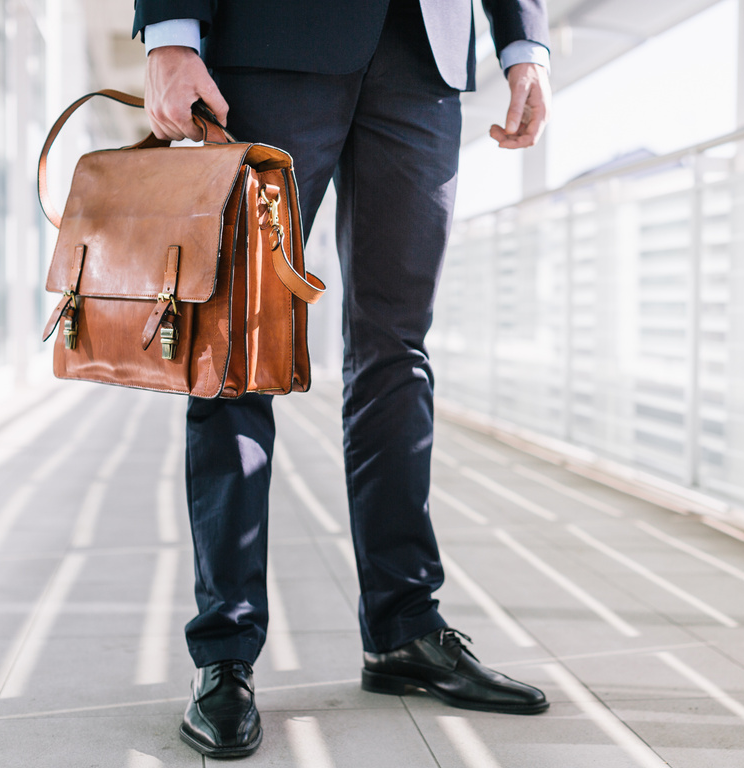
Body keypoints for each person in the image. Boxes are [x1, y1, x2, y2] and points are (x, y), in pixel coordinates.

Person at [131, 0, 552, 758]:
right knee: (238, 348)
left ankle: (404, 629)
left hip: (425, 54)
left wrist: (523, 42)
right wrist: (169, 32)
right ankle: (225, 653)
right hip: (274, 40)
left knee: (397, 352)